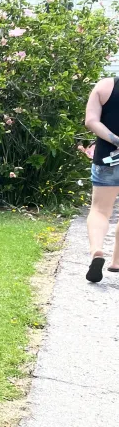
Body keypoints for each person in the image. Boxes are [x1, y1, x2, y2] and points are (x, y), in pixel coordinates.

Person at [84, 76, 119, 282]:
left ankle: (97, 250)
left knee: (99, 211)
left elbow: (91, 121)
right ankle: (117, 262)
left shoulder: (107, 86)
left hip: (107, 159)